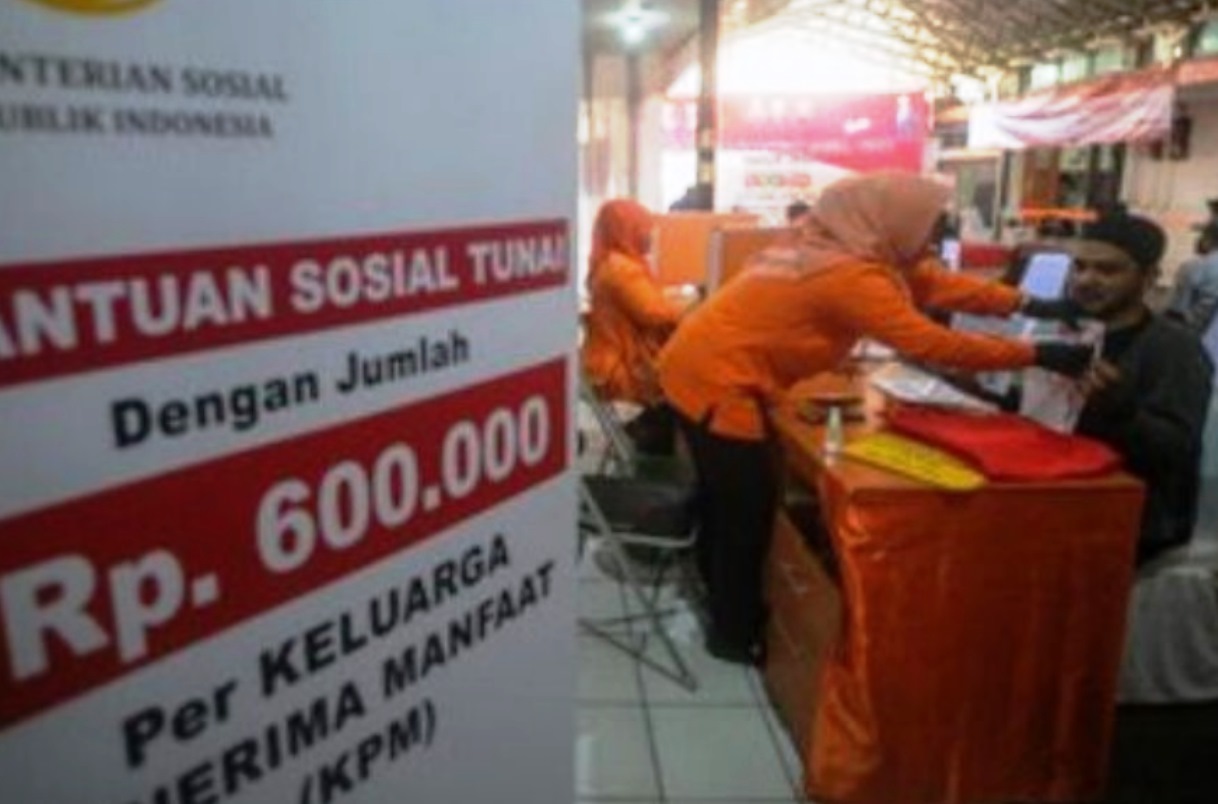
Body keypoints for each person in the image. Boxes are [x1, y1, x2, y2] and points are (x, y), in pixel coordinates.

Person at [656, 171, 1094, 664]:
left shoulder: (823, 245)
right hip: (718, 385)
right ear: (891, 219)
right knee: (746, 508)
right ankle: (732, 633)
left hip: (694, 367)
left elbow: (934, 284)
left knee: (725, 497)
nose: (932, 237)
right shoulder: (848, 274)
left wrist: (1026, 302)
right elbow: (927, 342)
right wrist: (1035, 354)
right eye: (927, 224)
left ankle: (715, 596)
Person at [1068, 213, 1214, 566]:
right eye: (1080, 267)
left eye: (1107, 270)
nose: (1086, 279)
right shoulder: (1073, 333)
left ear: (1148, 277)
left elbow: (1176, 450)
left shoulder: (1173, 349)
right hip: (1066, 505)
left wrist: (1122, 412)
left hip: (1132, 534)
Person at [582, 199, 685, 455]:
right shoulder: (622, 269)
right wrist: (693, 306)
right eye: (644, 228)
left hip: (606, 360)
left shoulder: (609, 262)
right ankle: (653, 453)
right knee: (683, 384)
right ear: (626, 230)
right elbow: (655, 313)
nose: (650, 235)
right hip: (625, 369)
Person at [1167, 221, 1218, 333]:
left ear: (1208, 240)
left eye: (1202, 236)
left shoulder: (1194, 266)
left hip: (1189, 333)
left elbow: (1176, 309)